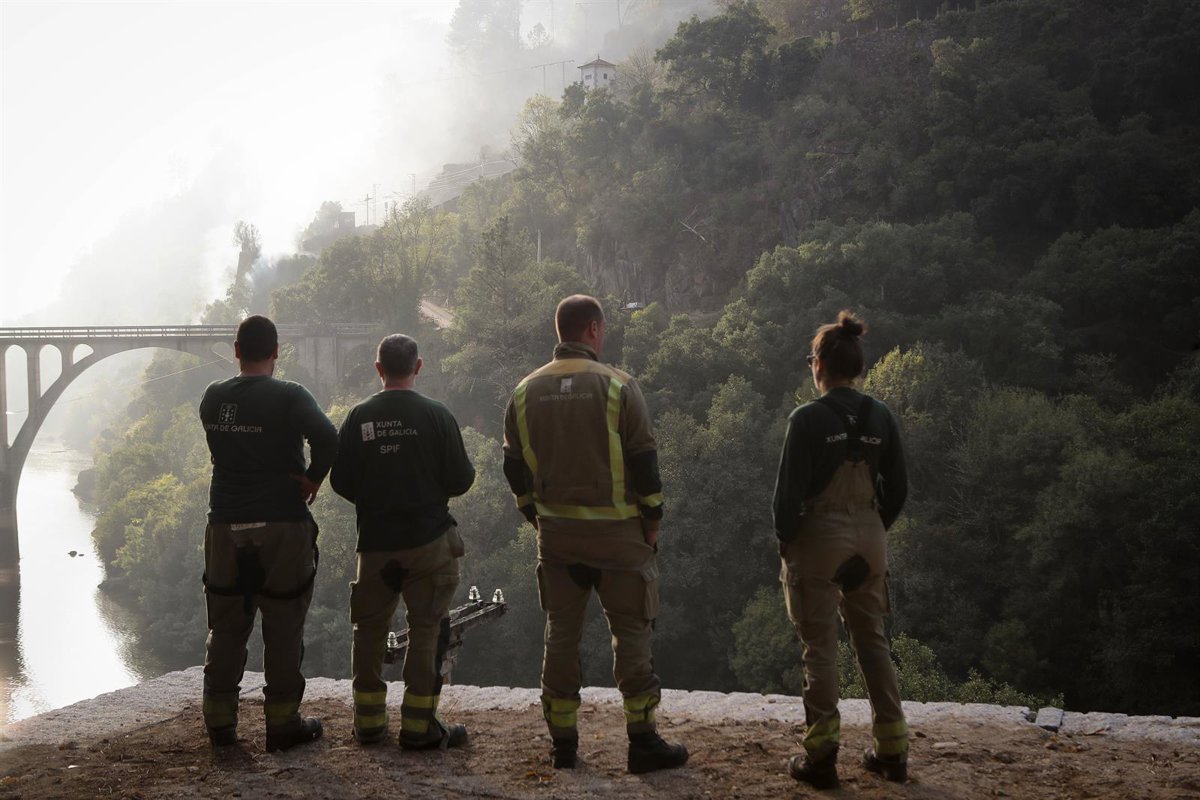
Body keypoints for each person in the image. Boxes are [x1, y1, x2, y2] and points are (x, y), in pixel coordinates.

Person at [502, 294, 688, 775]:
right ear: (593, 330)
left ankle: (563, 744)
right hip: (619, 537)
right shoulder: (619, 386)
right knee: (631, 635)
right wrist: (652, 525)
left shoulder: (524, 392)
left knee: (560, 636)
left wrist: (536, 517)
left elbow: (513, 467)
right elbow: (645, 463)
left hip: (557, 538)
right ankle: (642, 742)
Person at [772, 310, 910, 788]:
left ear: (820, 366)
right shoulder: (881, 415)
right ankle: (892, 750)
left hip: (819, 537)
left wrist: (789, 541)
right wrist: (874, 526)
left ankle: (822, 756)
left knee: (820, 648)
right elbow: (898, 488)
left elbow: (787, 496)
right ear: (858, 367)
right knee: (872, 640)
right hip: (870, 537)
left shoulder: (807, 419)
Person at [199, 314, 338, 752]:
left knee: (226, 627)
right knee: (283, 626)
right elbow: (329, 439)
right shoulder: (290, 396)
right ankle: (282, 725)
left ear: (236, 351)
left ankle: (220, 725)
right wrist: (312, 478)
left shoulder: (213, 397)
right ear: (276, 351)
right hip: (282, 523)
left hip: (225, 524)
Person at [330, 334, 475, 750]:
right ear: (418, 366)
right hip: (428, 541)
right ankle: (419, 727)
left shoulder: (359, 417)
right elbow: (461, 479)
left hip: (375, 542)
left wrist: (376, 500)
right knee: (427, 629)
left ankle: (369, 725)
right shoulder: (437, 415)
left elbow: (341, 481)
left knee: (369, 631)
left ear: (378, 369)